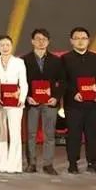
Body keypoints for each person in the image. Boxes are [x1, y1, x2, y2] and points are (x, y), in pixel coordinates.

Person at [61, 26, 96, 175]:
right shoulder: (65, 59)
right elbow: (62, 80)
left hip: (93, 104)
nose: (80, 41)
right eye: (77, 38)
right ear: (71, 41)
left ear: (89, 40)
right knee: (73, 134)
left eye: (83, 38)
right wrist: (73, 93)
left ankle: (92, 163)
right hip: (73, 104)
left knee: (92, 134)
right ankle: (73, 163)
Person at [22, 28, 63, 175]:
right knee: (31, 134)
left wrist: (56, 97)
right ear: (32, 41)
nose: (41, 42)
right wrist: (27, 97)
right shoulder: (23, 60)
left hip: (50, 103)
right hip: (32, 103)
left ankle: (48, 164)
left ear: (48, 42)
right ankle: (31, 163)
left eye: (44, 39)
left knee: (49, 134)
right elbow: (21, 82)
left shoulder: (56, 61)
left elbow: (63, 81)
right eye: (38, 39)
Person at [0, 35, 27, 174]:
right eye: (2, 45)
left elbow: (24, 82)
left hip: (15, 102)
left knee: (15, 132)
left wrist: (21, 97)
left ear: (12, 46)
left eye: (7, 45)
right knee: (1, 133)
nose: (5, 47)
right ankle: (2, 163)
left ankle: (14, 165)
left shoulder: (19, 62)